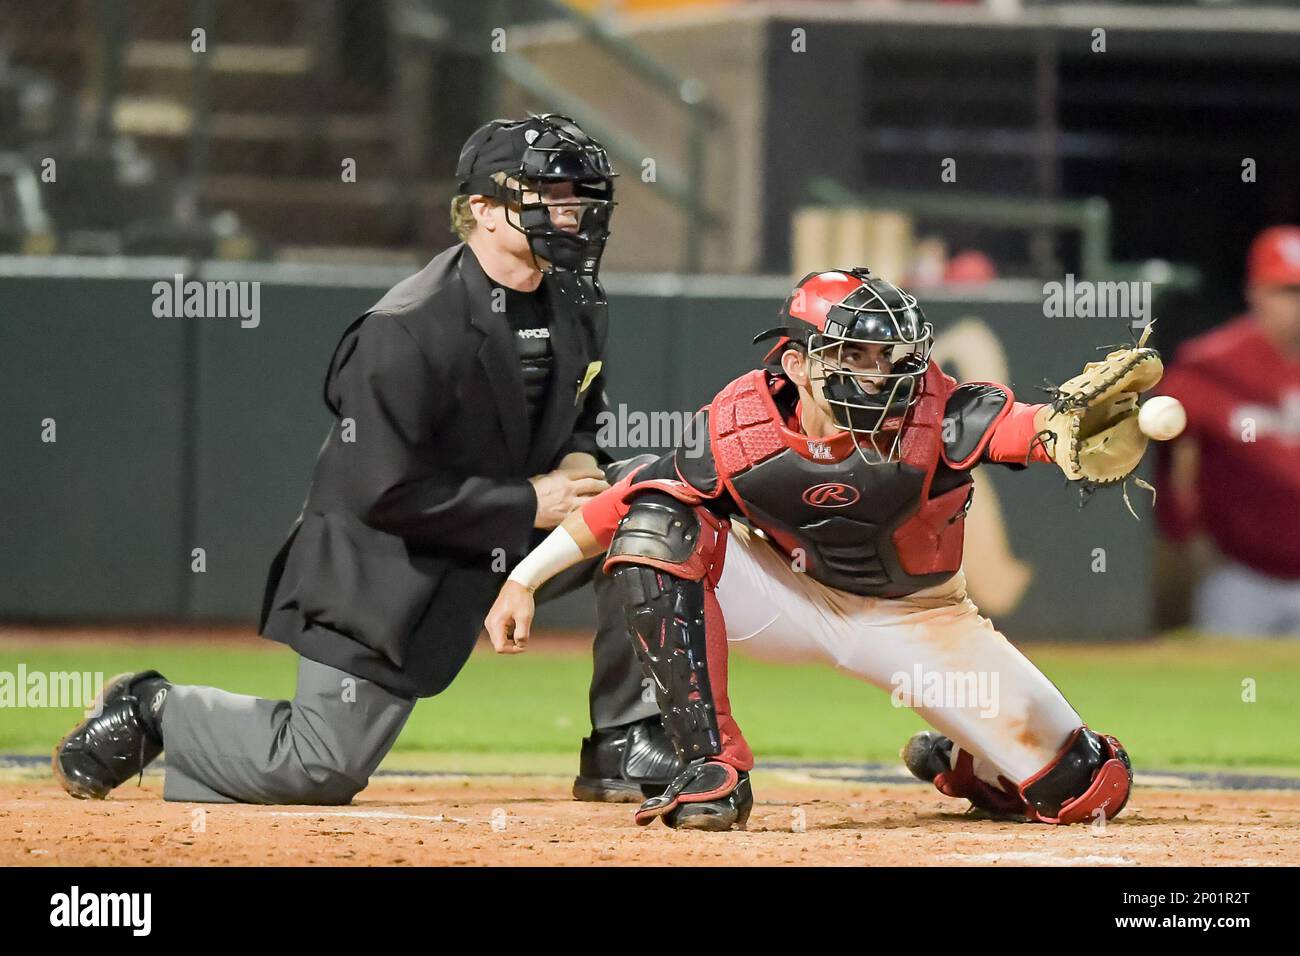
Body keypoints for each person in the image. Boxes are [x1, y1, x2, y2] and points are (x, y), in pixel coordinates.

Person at [51, 114, 677, 804]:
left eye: (578, 197)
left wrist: (583, 467)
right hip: (386, 564)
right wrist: (535, 502)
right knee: (316, 769)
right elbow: (385, 493)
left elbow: (583, 413)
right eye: (548, 194)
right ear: (482, 209)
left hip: (507, 532)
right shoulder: (406, 329)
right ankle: (153, 707)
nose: (571, 213)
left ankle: (623, 739)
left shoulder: (578, 301)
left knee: (650, 502)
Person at [486, 268, 1148, 831]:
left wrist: (1057, 428)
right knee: (658, 516)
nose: (881, 374)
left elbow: (1011, 425)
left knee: (1088, 787)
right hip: (788, 599)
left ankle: (967, 761)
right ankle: (710, 764)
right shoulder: (744, 425)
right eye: (855, 356)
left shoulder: (932, 407)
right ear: (798, 364)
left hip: (921, 623)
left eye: (890, 356)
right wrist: (523, 578)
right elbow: (621, 498)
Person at [1155, 225, 1300, 637]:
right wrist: (1182, 532)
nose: (1297, 305)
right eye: (1285, 291)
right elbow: (1171, 449)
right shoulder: (1213, 364)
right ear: (1255, 291)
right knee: (1230, 694)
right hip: (1237, 577)